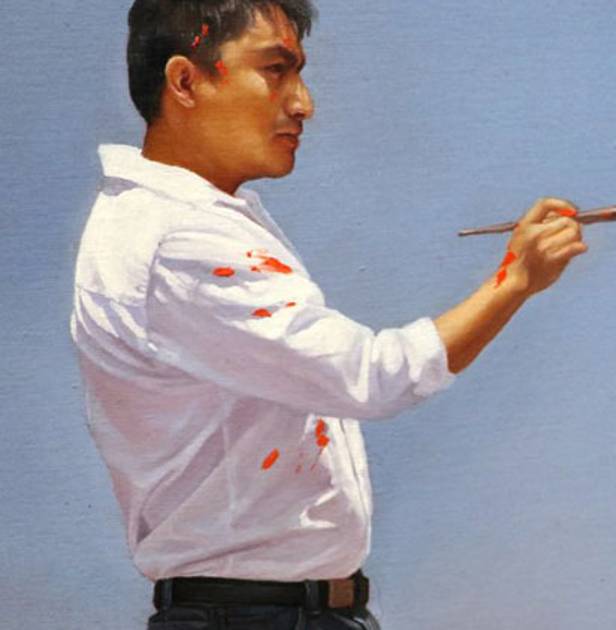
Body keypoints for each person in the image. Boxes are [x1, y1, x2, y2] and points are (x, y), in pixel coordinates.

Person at [70, 1, 587, 627]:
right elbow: (371, 376)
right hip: (255, 619)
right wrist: (515, 281)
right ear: (185, 81)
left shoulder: (177, 220)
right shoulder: (180, 241)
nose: (303, 103)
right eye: (275, 70)